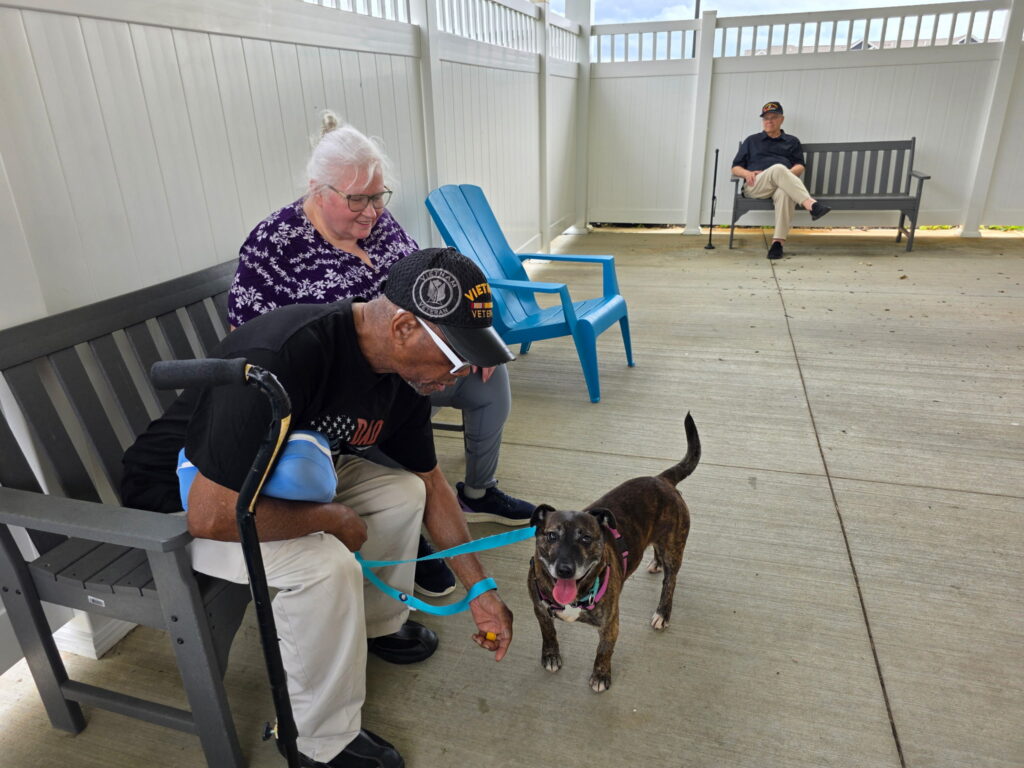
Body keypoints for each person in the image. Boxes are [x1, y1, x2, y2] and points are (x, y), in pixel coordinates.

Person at [121, 248, 516, 768]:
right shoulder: (280, 357)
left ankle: (375, 625)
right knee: (324, 564)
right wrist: (329, 519)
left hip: (281, 474)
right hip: (180, 501)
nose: (459, 375)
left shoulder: (403, 379)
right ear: (403, 328)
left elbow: (431, 481)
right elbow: (210, 516)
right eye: (456, 357)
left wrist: (480, 589)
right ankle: (317, 742)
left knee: (402, 493)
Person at [228, 111, 534, 598]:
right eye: (357, 199)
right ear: (317, 190)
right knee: (381, 431)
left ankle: (478, 492)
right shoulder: (274, 244)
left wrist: (468, 342)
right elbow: (251, 338)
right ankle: (409, 531)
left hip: (409, 368)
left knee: (487, 380)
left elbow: (427, 284)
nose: (371, 212)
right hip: (337, 394)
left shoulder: (381, 225)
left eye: (378, 196)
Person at [731, 101, 831, 260]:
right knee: (778, 168)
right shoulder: (752, 140)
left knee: (785, 192)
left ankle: (777, 243)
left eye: (773, 117)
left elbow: (800, 165)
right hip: (756, 184)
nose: (769, 121)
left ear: (781, 119)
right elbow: (735, 167)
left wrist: (785, 176)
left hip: (782, 185)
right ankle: (812, 205)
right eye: (766, 118)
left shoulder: (792, 141)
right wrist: (746, 173)